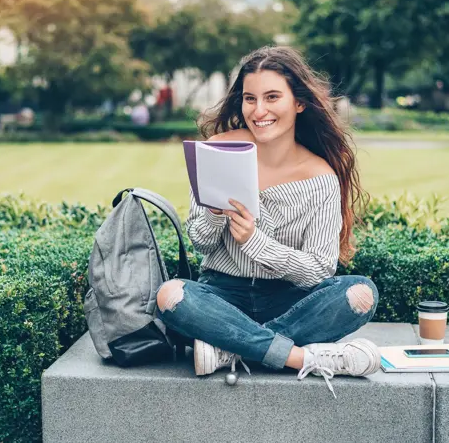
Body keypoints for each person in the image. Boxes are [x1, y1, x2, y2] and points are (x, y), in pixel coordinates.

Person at [156, 46, 380, 397]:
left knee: (359, 295)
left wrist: (255, 243)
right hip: (222, 293)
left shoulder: (320, 177)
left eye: (272, 97)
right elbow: (200, 241)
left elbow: (319, 270)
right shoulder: (218, 150)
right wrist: (216, 216)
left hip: (289, 300)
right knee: (171, 296)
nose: (259, 111)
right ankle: (298, 356)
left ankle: (230, 347)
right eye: (250, 99)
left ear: (299, 103)